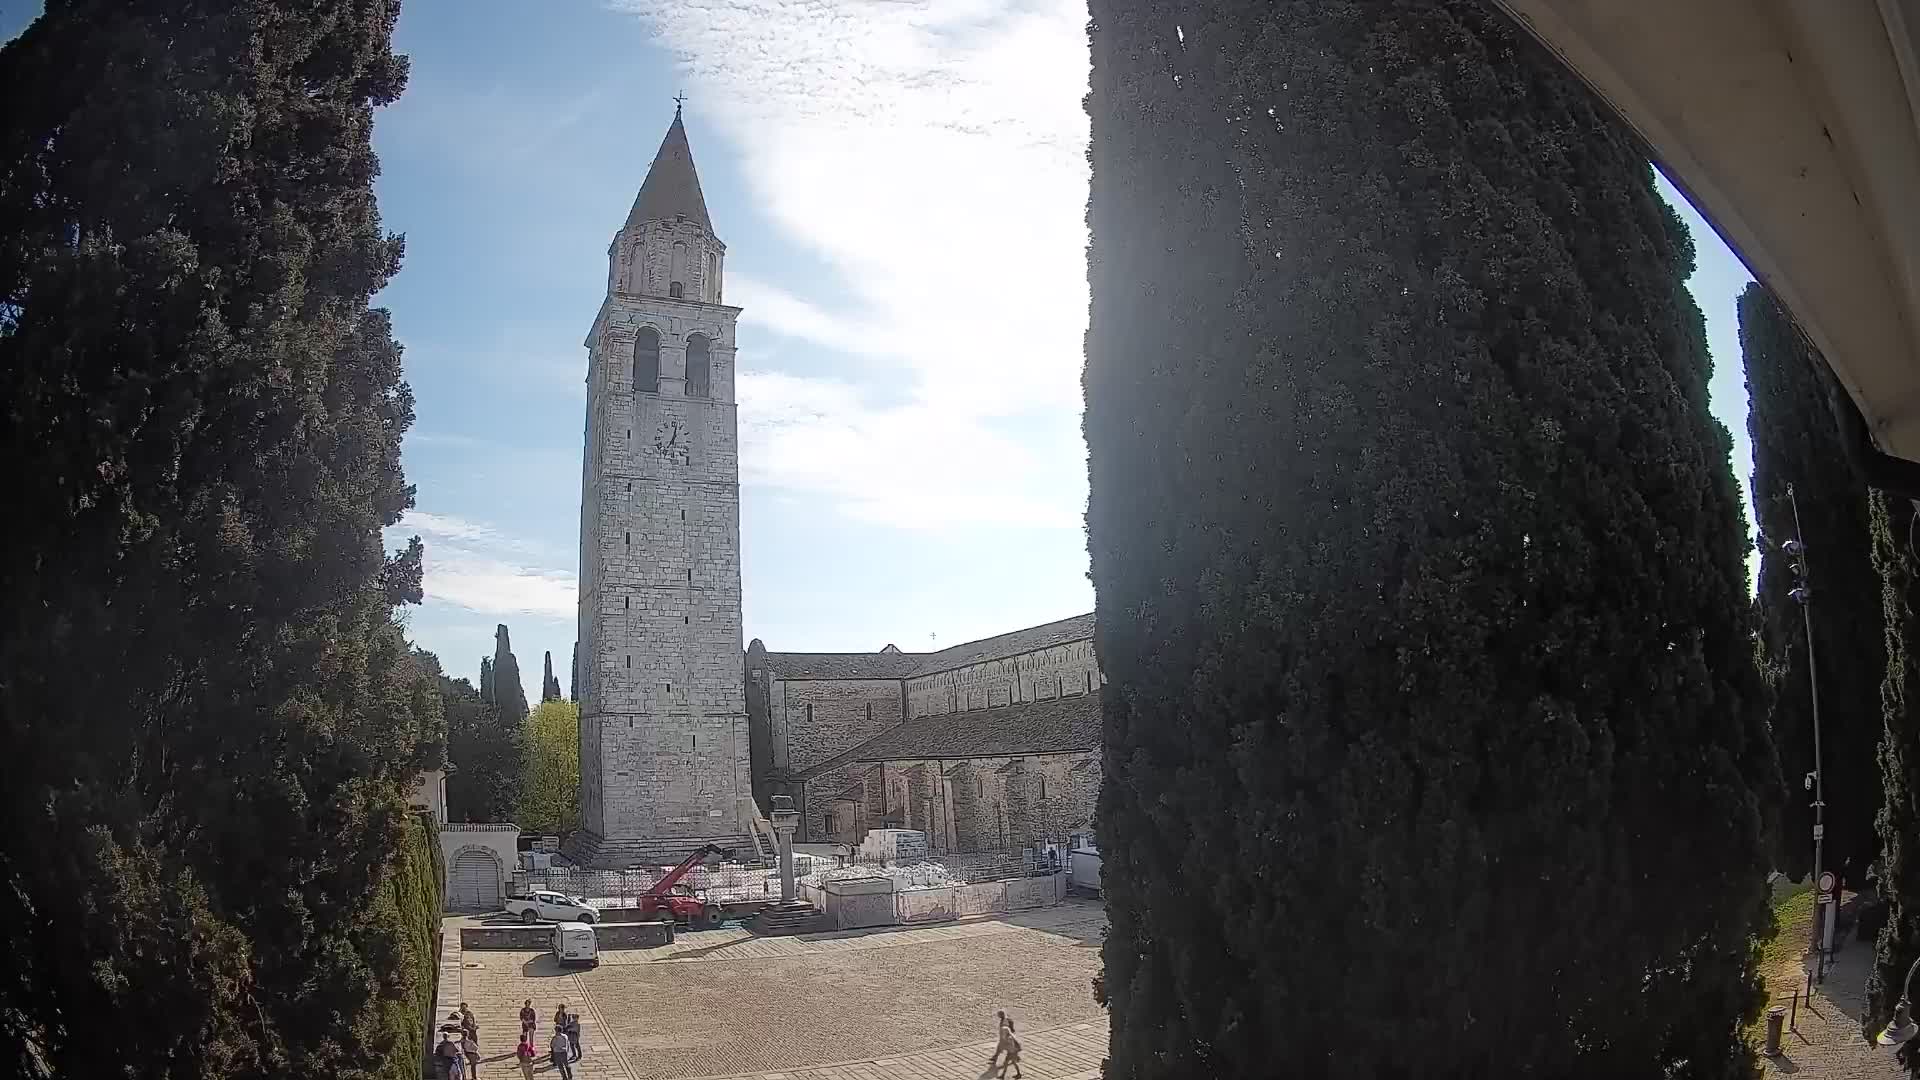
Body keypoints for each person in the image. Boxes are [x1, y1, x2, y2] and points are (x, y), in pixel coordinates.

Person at [987, 1011, 1022, 1079]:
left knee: (1008, 1063)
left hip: (1011, 1052)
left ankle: (1005, 1075)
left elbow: (1011, 1046)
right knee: (1012, 1063)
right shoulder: (1008, 1036)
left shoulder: (1009, 1038)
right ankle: (1017, 1074)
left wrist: (1006, 1049)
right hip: (1011, 1052)